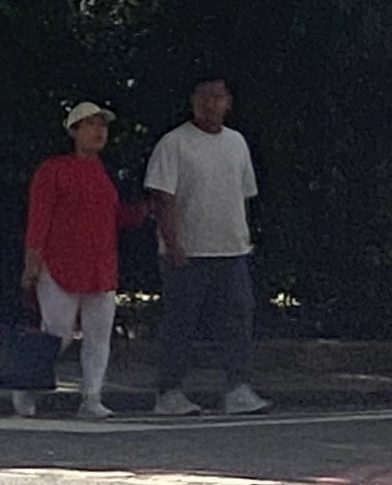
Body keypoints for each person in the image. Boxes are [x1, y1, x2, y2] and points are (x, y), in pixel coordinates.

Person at [20, 102, 151, 420]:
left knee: (98, 335)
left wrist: (141, 213)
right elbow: (40, 218)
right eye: (90, 124)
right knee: (58, 333)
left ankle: (91, 396)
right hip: (61, 262)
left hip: (100, 264)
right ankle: (25, 383)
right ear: (74, 131)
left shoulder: (105, 173)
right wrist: (32, 261)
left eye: (102, 125)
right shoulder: (53, 170)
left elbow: (111, 217)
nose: (98, 131)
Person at [145, 77, 267, 417]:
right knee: (181, 322)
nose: (211, 104)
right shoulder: (175, 144)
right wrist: (172, 243)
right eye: (204, 98)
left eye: (218, 97)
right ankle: (169, 390)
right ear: (193, 102)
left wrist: (243, 237)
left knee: (239, 319)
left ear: (228, 102)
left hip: (231, 250)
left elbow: (242, 195)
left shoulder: (237, 143)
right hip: (188, 251)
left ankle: (237, 387)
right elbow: (162, 198)